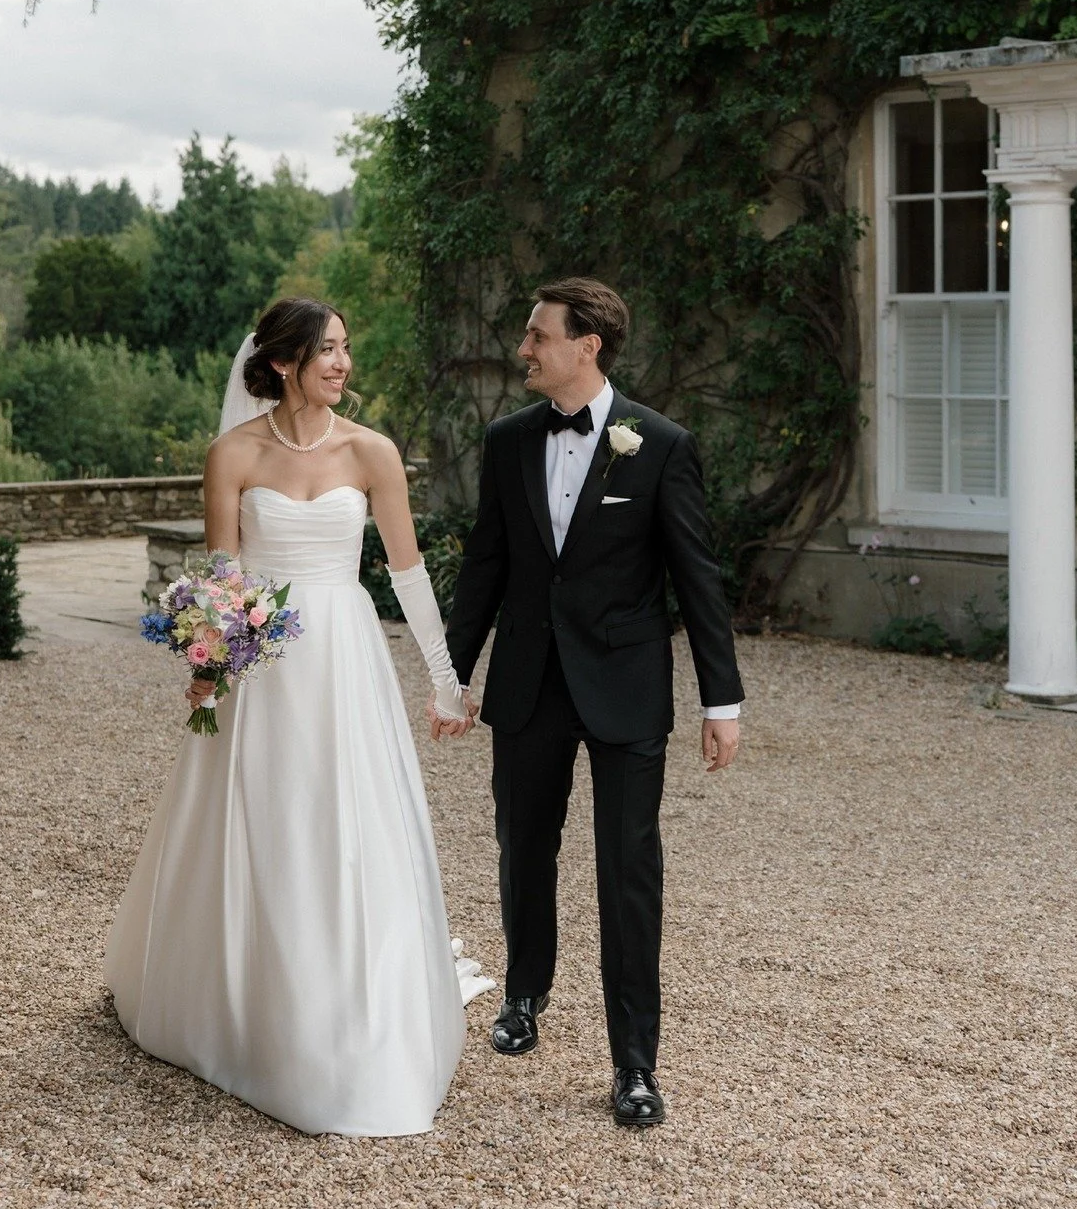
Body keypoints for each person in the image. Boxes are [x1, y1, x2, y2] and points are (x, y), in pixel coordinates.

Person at [105, 297, 491, 1137]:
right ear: (281, 362)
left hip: (345, 660)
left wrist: (445, 681)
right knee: (266, 818)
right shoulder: (231, 454)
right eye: (325, 350)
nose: (342, 363)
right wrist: (208, 669)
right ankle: (255, 1008)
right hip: (265, 668)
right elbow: (222, 575)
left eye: (346, 348)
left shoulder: (373, 451)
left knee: (348, 822)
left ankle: (355, 1014)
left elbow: (409, 575)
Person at [444, 277, 743, 1129]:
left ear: (588, 345)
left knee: (628, 872)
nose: (524, 348)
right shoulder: (506, 441)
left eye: (537, 335)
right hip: (530, 683)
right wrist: (452, 675)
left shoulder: (660, 444)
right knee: (522, 850)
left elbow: (698, 581)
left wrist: (721, 700)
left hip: (626, 688)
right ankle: (523, 995)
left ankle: (634, 1064)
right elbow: (485, 569)